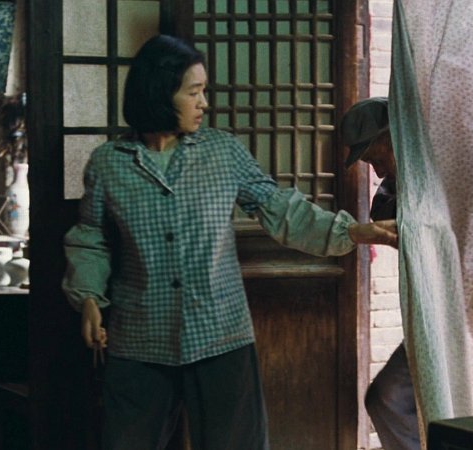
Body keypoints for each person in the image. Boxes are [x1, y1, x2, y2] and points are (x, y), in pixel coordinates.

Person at [61, 35, 398, 450]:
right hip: (139, 338)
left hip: (221, 336)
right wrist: (88, 297)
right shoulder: (109, 164)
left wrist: (354, 232)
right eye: (193, 92)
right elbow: (90, 238)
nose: (204, 103)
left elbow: (280, 209)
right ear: (160, 93)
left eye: (204, 91)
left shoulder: (223, 152)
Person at [341, 97, 419, 450]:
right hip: (430, 320)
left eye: (376, 158)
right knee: (386, 400)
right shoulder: (399, 184)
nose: (377, 172)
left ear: (394, 136)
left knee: (390, 399)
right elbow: (382, 214)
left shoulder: (436, 170)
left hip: (471, 317)